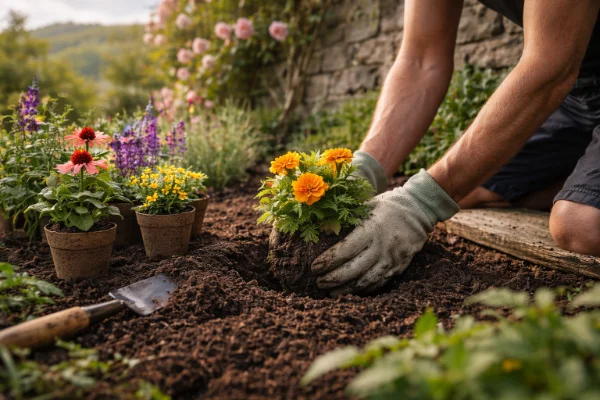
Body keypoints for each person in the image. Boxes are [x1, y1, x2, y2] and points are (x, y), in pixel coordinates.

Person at [312, 0, 600, 296]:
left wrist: (421, 202)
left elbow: (550, 67)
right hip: (577, 92)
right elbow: (421, 60)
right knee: (472, 189)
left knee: (580, 225)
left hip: (559, 72)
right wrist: (364, 170)